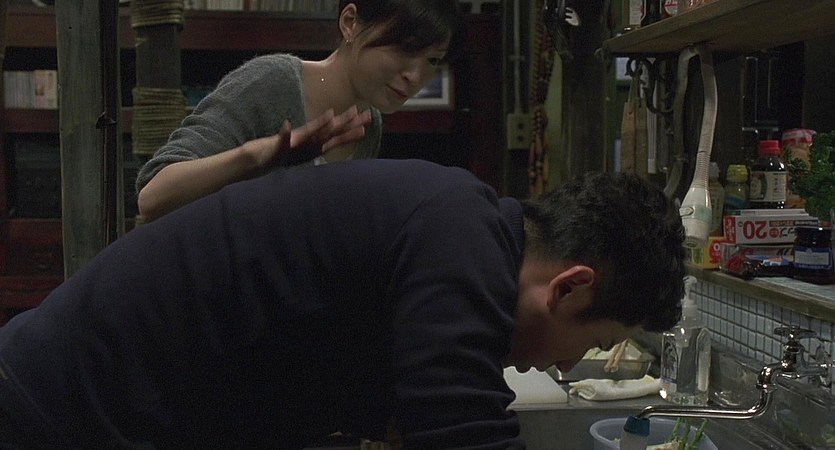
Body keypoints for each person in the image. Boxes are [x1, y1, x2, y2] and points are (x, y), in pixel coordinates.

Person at [0, 160, 685, 448]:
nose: (566, 368)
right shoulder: (462, 235)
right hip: (62, 409)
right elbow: (459, 427)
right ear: (569, 287)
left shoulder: (458, 227)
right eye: (593, 343)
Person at [135, 0, 462, 222]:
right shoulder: (272, 81)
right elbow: (152, 197)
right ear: (350, 23)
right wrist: (259, 155)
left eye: (432, 60)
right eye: (405, 48)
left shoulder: (369, 123)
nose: (416, 76)